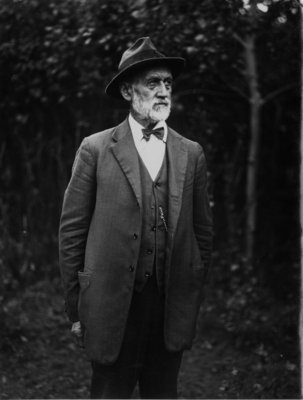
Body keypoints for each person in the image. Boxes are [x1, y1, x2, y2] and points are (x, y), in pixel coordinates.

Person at [59, 36, 213, 399]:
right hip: (111, 304)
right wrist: (76, 309)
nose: (163, 91)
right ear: (128, 91)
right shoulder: (95, 149)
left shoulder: (191, 153)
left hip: (168, 306)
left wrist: (191, 288)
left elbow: (203, 235)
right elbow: (71, 234)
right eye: (153, 82)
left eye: (168, 83)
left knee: (163, 393)